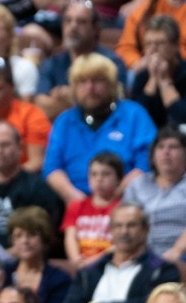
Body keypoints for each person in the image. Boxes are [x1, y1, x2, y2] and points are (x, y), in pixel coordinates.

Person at [58, 203, 181, 303]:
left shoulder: (162, 270)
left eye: (131, 225)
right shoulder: (89, 272)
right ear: (111, 230)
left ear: (146, 229)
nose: (124, 232)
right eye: (118, 226)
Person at [43, 53, 156, 204]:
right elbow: (52, 168)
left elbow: (145, 163)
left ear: (112, 85)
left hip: (126, 202)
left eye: (97, 80)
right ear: (74, 88)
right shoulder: (65, 120)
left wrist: (113, 198)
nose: (90, 87)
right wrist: (80, 201)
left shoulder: (134, 114)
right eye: (82, 82)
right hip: (75, 203)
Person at [0, 121, 63, 246]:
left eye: (5, 145)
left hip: (17, 256)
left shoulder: (37, 187)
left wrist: (6, 256)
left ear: (19, 148)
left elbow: (43, 235)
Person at [35, 0, 129, 121]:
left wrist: (67, 96)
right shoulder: (51, 63)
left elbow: (113, 106)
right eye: (68, 21)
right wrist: (85, 100)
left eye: (81, 22)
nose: (73, 26)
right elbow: (42, 107)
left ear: (95, 28)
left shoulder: (111, 62)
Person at [4, 207, 72, 303]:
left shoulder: (59, 279)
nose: (25, 241)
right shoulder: (4, 273)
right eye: (18, 236)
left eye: (31, 235)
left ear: (44, 238)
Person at [124, 127, 186, 261]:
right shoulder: (138, 184)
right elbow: (125, 221)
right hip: (142, 254)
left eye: (173, 147)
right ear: (152, 155)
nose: (166, 152)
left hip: (180, 255)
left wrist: (177, 250)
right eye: (160, 147)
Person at [61, 151, 122, 269]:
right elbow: (70, 237)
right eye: (94, 174)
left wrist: (94, 261)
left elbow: (119, 245)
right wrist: (76, 260)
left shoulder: (122, 208)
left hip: (109, 265)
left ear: (119, 179)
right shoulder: (76, 206)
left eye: (106, 174)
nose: (99, 179)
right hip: (80, 265)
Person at [130, 15, 186, 129]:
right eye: (148, 44)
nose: (153, 49)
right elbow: (135, 119)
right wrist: (153, 80)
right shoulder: (142, 75)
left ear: (175, 45)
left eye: (160, 43)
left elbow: (182, 118)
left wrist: (165, 81)